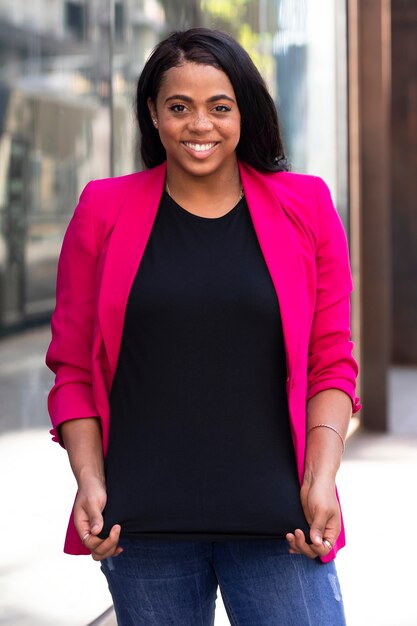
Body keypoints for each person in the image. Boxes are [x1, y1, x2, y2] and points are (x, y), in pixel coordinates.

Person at [46, 27, 361, 626]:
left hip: (282, 523)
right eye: (179, 107)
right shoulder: (102, 210)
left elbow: (331, 362)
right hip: (143, 529)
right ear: (153, 114)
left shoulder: (307, 206)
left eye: (220, 107)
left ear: (244, 111)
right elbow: (72, 369)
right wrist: (88, 479)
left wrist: (322, 479)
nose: (200, 125)